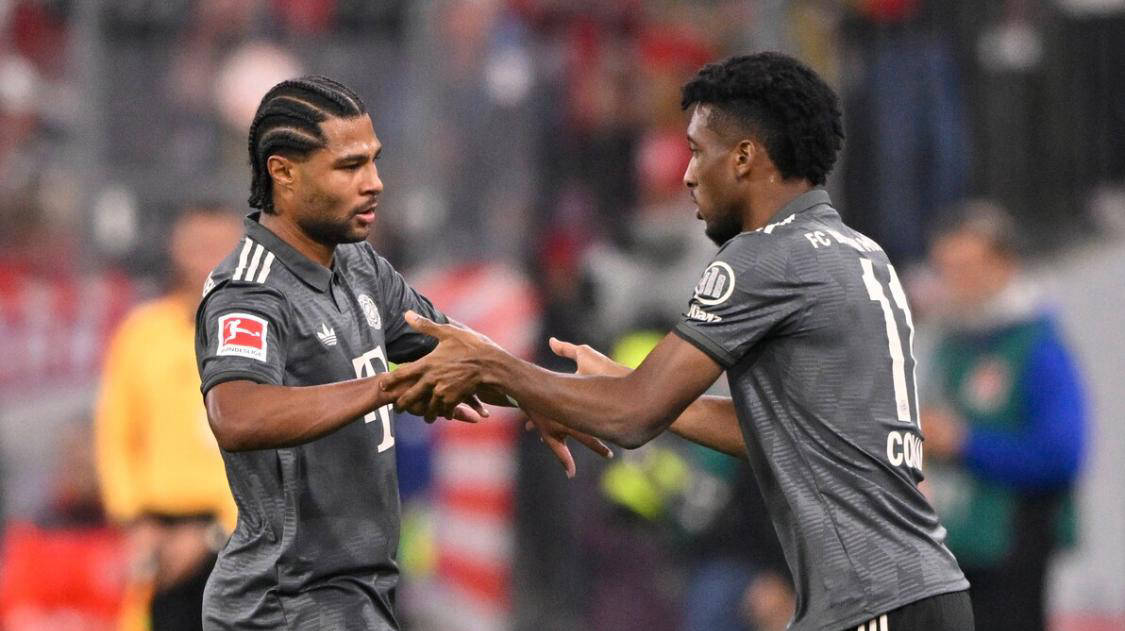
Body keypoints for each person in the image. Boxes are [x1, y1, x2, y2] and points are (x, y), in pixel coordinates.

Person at [384, 53, 973, 631]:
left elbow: (632, 418)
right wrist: (624, 385)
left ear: (743, 157)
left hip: (868, 602)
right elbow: (788, 432)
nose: (689, 175)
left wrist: (493, 367)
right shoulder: (861, 253)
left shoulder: (763, 258)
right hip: (924, 590)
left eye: (697, 150)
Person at [193, 76, 605, 630]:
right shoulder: (251, 291)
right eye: (349, 167)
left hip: (358, 595)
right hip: (282, 605)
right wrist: (387, 386)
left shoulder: (359, 265)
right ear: (283, 172)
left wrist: (537, 394)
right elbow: (237, 415)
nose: (374, 183)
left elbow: (455, 353)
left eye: (374, 161)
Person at [921, 201, 1086, 631]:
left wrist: (966, 443)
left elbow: (1061, 455)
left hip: (1013, 545)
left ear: (1004, 265)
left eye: (968, 269)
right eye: (946, 269)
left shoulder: (1036, 346)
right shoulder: (952, 341)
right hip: (955, 543)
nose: (956, 283)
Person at [95, 203, 242, 631]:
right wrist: (135, 520)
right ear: (176, 249)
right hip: (157, 534)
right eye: (198, 246)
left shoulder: (266, 333)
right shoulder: (142, 334)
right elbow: (117, 436)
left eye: (220, 246)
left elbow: (279, 449)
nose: (208, 259)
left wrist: (215, 531)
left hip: (241, 534)